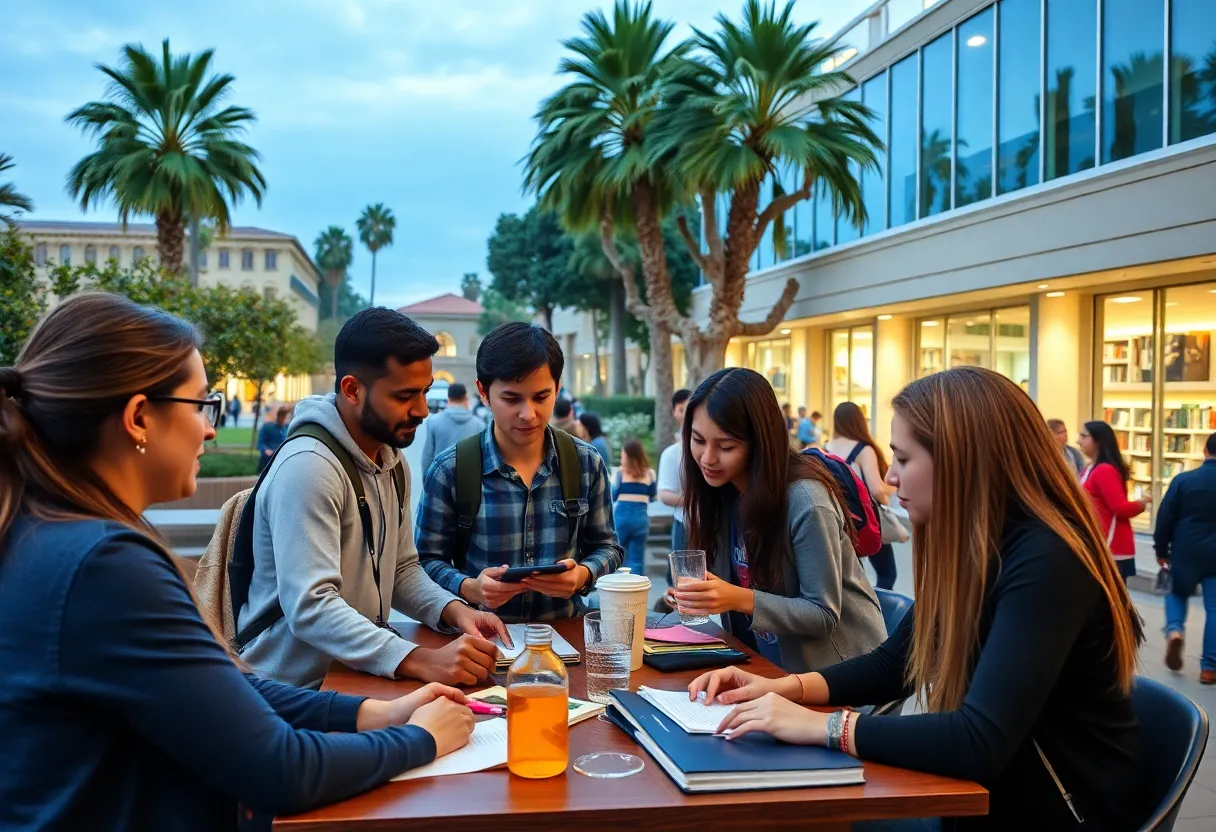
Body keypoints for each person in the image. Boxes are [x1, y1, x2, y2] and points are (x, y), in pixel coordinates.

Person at [0, 294, 476, 831]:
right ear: (138, 418)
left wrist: (372, 713)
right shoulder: (103, 566)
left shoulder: (54, 533)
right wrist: (420, 739)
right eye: (203, 405)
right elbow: (278, 769)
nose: (210, 429)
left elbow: (219, 686)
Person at [688, 367, 1147, 830]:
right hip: (993, 799)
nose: (889, 474)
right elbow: (895, 665)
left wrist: (823, 726)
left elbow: (978, 739)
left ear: (961, 461)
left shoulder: (1047, 561)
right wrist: (782, 688)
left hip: (1057, 811)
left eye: (903, 460)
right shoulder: (980, 548)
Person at [240, 307, 507, 690]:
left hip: (355, 677)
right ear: (352, 389)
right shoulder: (309, 467)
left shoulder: (390, 460)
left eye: (425, 392)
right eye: (404, 396)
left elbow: (401, 569)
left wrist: (454, 610)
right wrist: (420, 660)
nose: (420, 410)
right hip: (291, 692)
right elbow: (311, 607)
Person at [667, 368, 886, 673]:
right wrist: (701, 593)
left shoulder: (806, 500)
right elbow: (733, 582)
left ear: (759, 442)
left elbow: (822, 613)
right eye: (698, 440)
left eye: (726, 446)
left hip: (846, 677)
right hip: (769, 670)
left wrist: (737, 598)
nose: (707, 458)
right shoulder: (722, 494)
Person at [417, 322, 623, 621]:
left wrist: (581, 575)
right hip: (481, 643)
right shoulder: (451, 469)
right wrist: (470, 587)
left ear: (558, 388)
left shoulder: (585, 463)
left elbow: (608, 546)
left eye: (541, 397)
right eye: (511, 399)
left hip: (565, 637)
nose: (528, 414)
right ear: (483, 392)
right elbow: (425, 561)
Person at [1155, 432, 1216, 685]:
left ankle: (1175, 630)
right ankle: (1210, 668)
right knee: (1215, 609)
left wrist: (1161, 550)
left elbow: (1165, 517)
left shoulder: (1183, 480)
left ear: (1205, 451)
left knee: (1175, 593)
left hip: (1184, 550)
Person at [825, 402, 898, 591]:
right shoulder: (864, 450)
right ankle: (880, 616)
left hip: (837, 520)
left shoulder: (825, 448)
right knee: (887, 573)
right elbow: (876, 489)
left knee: (854, 579)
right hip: (866, 520)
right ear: (858, 421)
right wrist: (888, 496)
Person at [1078, 420, 1146, 583]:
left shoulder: (1104, 470)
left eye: (1084, 436)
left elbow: (1120, 508)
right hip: (1096, 543)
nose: (1078, 440)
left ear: (1099, 441)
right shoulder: (1089, 467)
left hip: (1111, 546)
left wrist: (1142, 503)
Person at [420, 382, 485, 474]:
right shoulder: (479, 425)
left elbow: (428, 456)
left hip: (440, 480)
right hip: (469, 481)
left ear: (449, 398)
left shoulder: (434, 421)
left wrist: (427, 482)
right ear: (465, 399)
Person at [613, 439, 656, 576]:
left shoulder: (620, 473)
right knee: (637, 558)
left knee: (618, 555)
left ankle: (619, 587)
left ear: (626, 455)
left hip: (622, 519)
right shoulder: (650, 474)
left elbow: (613, 495)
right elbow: (653, 496)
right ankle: (635, 589)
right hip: (641, 520)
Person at [657, 389, 692, 553]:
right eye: (681, 410)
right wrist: (695, 500)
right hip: (685, 523)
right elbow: (664, 494)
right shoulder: (672, 453)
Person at [256, 404, 291, 474]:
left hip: (283, 460)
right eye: (282, 416)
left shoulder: (288, 428)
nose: (284, 418)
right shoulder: (267, 427)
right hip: (269, 459)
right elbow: (260, 443)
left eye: (285, 416)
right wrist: (266, 450)